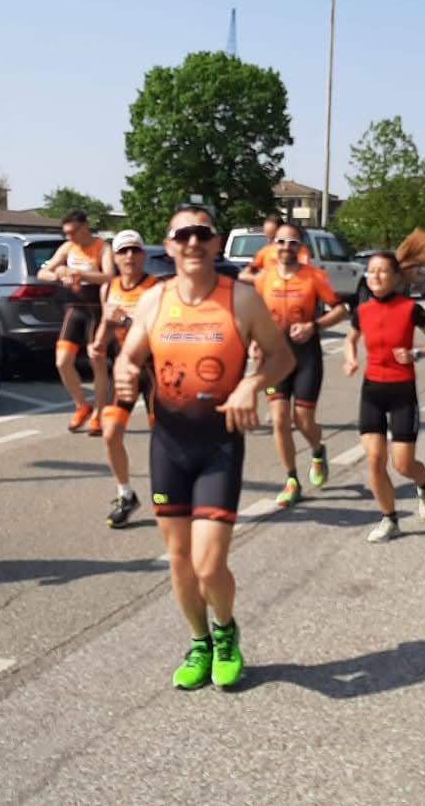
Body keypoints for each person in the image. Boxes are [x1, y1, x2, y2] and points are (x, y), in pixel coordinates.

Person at [115, 204, 295, 690]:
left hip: (219, 447)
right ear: (168, 246)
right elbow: (129, 356)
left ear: (216, 243)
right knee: (179, 561)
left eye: (202, 234)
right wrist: (125, 372)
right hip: (168, 447)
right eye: (183, 235)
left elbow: (282, 357)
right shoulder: (154, 300)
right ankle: (199, 642)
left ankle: (225, 630)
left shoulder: (242, 298)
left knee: (209, 563)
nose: (193, 242)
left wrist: (251, 384)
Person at [342, 251, 425, 542]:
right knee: (375, 460)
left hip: (402, 392)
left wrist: (415, 354)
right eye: (371, 271)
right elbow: (350, 339)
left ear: (396, 277)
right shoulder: (362, 310)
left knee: (403, 465)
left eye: (382, 271)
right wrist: (350, 358)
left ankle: (424, 484)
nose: (375, 276)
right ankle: (389, 519)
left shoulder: (411, 309)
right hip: (372, 392)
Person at [253, 222, 349, 507]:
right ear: (273, 245)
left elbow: (341, 310)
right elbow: (252, 314)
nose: (286, 247)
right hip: (273, 357)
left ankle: (318, 450)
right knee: (279, 419)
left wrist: (313, 326)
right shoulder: (263, 278)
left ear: (300, 247)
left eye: (292, 243)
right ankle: (292, 480)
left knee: (303, 419)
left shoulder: (314, 276)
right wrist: (254, 340)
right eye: (281, 242)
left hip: (305, 355)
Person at [88, 229, 160, 528]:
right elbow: (108, 321)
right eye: (123, 251)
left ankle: (174, 492)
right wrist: (97, 344)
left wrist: (126, 320)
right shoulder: (110, 288)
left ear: (143, 255)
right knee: (111, 433)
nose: (130, 256)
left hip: (156, 368)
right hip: (125, 368)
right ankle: (125, 494)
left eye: (135, 250)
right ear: (115, 258)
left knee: (164, 438)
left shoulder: (156, 288)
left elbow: (159, 329)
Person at [38, 210, 116, 434]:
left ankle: (99, 414)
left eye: (73, 232)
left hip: (96, 310)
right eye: (66, 233)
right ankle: (82, 405)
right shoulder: (67, 248)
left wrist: (81, 275)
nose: (70, 237)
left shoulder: (102, 247)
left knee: (97, 363)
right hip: (74, 309)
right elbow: (43, 272)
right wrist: (59, 274)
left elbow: (109, 276)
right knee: (62, 361)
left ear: (85, 227)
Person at [238, 212, 310, 284]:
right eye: (267, 237)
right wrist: (266, 281)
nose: (269, 242)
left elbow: (303, 274)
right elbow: (243, 275)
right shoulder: (265, 251)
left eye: (273, 238)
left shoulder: (299, 250)